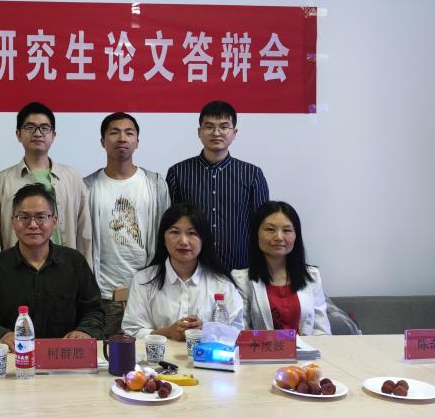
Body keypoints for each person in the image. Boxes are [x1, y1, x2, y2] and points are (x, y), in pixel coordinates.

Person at [0, 184, 104, 348]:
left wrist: (84, 331)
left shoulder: (75, 263)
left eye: (41, 217)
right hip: (13, 356)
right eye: (24, 217)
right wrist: (0, 335)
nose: (33, 224)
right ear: (13, 222)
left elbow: (94, 311)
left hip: (63, 355)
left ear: (54, 221)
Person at [84, 112, 170, 337]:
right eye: (114, 132)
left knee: (149, 355)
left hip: (148, 293)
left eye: (129, 133)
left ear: (137, 141)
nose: (122, 138)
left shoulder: (155, 184)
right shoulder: (88, 187)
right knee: (104, 355)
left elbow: (167, 236)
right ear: (102, 141)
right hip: (103, 294)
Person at [166, 100, 268, 273]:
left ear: (234, 132)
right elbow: (170, 226)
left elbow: (262, 225)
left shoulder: (252, 174)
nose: (216, 132)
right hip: (191, 270)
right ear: (199, 132)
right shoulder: (178, 173)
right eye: (209, 127)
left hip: (239, 270)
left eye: (224, 126)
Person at [122, 203, 244, 341]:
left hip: (208, 355)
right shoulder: (143, 280)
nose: (183, 241)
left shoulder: (221, 283)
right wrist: (167, 332)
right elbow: (131, 332)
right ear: (163, 238)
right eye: (175, 232)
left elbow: (238, 332)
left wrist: (206, 330)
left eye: (192, 233)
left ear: (203, 239)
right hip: (160, 356)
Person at [0, 101, 92, 264]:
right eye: (30, 127)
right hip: (16, 269)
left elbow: (84, 233)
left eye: (44, 128)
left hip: (65, 269)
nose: (38, 133)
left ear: (53, 135)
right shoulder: (1, 181)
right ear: (18, 134)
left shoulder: (73, 178)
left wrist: (85, 271)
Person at [232, 201, 330, 335]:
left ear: (296, 235)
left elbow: (321, 330)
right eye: (270, 229)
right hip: (261, 349)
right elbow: (241, 331)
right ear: (256, 234)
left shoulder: (312, 276)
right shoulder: (241, 280)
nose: (279, 237)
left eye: (287, 230)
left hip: (306, 348)